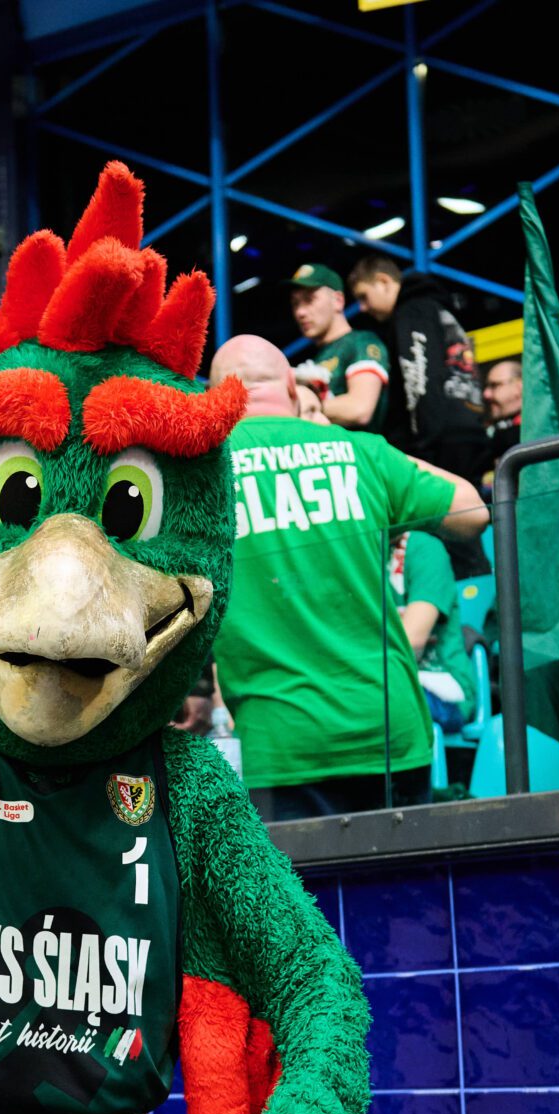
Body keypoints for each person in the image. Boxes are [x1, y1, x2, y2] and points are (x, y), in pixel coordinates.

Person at [208, 334, 488, 820]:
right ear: (293, 389)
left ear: (216, 401)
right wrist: (364, 464)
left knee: (297, 875)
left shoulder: (198, 476)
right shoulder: (361, 452)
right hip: (387, 733)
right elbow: (473, 510)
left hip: (280, 745)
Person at [347, 253, 492, 577]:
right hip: (466, 429)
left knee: (452, 539)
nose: (364, 308)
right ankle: (478, 594)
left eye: (364, 296)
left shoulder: (411, 311)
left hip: (442, 441)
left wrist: (422, 448)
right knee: (466, 531)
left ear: (384, 281)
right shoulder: (435, 306)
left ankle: (470, 602)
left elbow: (420, 382)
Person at [392, 530, 479, 731]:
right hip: (382, 683)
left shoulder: (424, 548)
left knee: (367, 704)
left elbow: (410, 643)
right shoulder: (355, 553)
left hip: (439, 687)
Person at [288, 263, 389, 432]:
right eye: (295, 303)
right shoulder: (317, 358)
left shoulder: (361, 342)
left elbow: (359, 409)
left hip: (361, 447)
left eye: (309, 300)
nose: (300, 312)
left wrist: (300, 407)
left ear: (338, 301)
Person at [481, 358, 523, 471]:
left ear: (519, 387)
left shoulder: (534, 432)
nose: (486, 394)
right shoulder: (494, 433)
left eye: (494, 385)